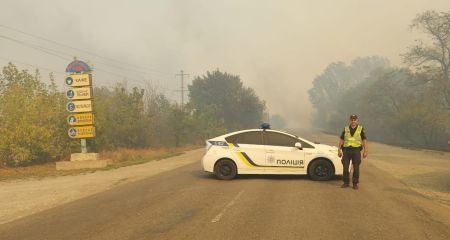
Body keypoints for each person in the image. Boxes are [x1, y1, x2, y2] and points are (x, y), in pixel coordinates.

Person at [338, 114, 368, 190]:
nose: (353, 121)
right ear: (350, 120)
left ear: (357, 120)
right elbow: (341, 140)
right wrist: (339, 150)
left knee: (356, 168)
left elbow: (364, 140)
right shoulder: (346, 129)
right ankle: (346, 182)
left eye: (354, 120)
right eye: (352, 120)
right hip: (346, 150)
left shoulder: (360, 129)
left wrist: (365, 151)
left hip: (356, 150)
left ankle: (355, 183)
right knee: (345, 168)